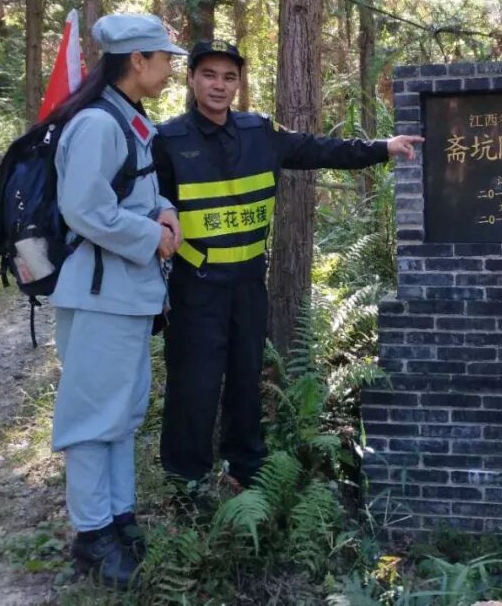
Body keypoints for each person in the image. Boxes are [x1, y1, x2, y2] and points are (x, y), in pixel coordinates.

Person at [153, 40, 421, 502]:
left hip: (248, 284)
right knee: (194, 383)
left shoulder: (260, 131)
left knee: (245, 377)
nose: (219, 85)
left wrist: (382, 147)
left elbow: (319, 149)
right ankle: (187, 480)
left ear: (239, 83)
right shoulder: (167, 140)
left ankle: (247, 465)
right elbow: (147, 200)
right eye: (209, 75)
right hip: (195, 285)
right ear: (192, 79)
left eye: (229, 77)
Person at [46, 13, 186, 588]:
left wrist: (164, 213)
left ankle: (119, 517)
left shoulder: (128, 119)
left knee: (123, 413)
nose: (170, 68)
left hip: (126, 294)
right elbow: (85, 208)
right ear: (137, 60)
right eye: (165, 58)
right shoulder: (98, 124)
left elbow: (135, 191)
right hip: (100, 295)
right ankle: (92, 535)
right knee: (91, 419)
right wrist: (152, 235)